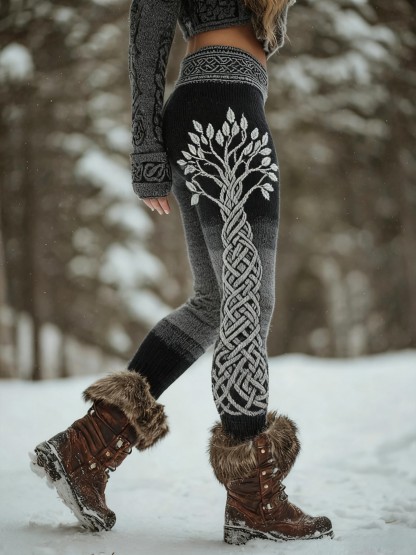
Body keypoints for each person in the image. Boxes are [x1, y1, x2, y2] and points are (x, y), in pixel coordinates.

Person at [30, 0, 334, 545]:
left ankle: (85, 447)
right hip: (226, 110)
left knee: (218, 302)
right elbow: (148, 21)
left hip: (220, 104)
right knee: (246, 298)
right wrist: (145, 149)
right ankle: (253, 497)